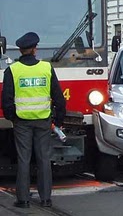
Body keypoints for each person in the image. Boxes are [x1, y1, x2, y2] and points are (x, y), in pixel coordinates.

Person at [1, 32, 66, 209]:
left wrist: (12, 117)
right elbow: (59, 98)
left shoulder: (12, 70)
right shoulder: (46, 68)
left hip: (21, 122)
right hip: (44, 120)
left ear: (21, 50)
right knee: (44, 158)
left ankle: (23, 200)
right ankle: (46, 199)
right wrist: (58, 121)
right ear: (35, 49)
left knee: (24, 159)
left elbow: (6, 100)